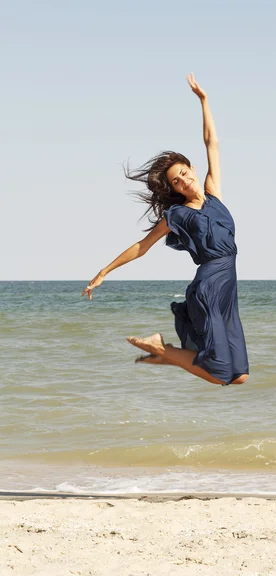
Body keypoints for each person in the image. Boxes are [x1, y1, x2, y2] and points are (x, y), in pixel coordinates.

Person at [82, 73, 249, 386]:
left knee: (238, 376)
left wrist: (204, 100)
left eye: (184, 173)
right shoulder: (177, 215)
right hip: (209, 286)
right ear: (173, 187)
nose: (184, 180)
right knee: (219, 372)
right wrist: (104, 271)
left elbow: (211, 142)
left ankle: (166, 354)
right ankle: (163, 348)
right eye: (176, 180)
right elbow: (142, 246)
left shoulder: (214, 193)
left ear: (193, 170)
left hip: (228, 288)